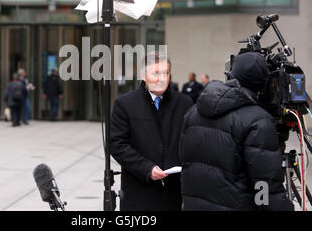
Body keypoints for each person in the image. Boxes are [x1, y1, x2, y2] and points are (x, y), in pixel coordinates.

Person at [180, 52, 293, 211]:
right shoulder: (258, 120)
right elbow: (264, 187)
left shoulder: (193, 111)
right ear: (263, 84)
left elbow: (186, 161)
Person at [110, 52, 194, 211]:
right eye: (156, 73)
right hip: (138, 192)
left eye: (166, 73)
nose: (162, 78)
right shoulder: (124, 104)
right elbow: (117, 145)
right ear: (143, 75)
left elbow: (193, 141)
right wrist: (147, 169)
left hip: (173, 194)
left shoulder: (185, 103)